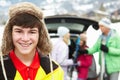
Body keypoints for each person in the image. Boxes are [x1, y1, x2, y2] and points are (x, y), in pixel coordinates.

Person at [0, 2, 64, 80]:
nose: (25, 39)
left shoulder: (55, 71)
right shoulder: (1, 68)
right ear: (10, 34)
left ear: (40, 35)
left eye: (32, 32)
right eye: (19, 31)